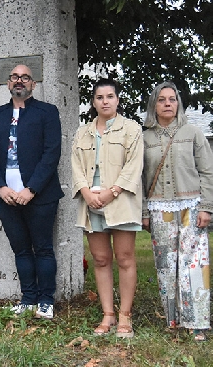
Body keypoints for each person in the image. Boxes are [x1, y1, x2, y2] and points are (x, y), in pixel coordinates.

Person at [0, 64, 64, 320]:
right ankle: (28, 299)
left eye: (25, 77)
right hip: (7, 197)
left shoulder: (47, 112)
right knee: (21, 250)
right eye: (15, 77)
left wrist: (32, 189)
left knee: (42, 249)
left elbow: (52, 153)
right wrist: (0, 186)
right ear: (9, 84)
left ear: (33, 84)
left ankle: (46, 301)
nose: (20, 81)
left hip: (40, 196)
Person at [71, 78, 143, 338]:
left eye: (110, 96)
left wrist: (112, 192)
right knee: (101, 260)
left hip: (120, 200)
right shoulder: (83, 133)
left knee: (124, 258)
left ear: (117, 100)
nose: (105, 101)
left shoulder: (132, 130)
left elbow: (134, 166)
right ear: (93, 102)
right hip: (91, 202)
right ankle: (108, 314)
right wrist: (87, 193)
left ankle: (125, 316)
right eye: (100, 97)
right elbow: (76, 165)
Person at [142, 82, 212, 341]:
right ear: (154, 105)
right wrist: (144, 212)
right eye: (162, 100)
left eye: (172, 99)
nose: (168, 104)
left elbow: (207, 171)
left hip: (192, 206)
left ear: (178, 104)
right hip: (159, 209)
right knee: (165, 264)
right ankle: (172, 319)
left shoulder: (193, 132)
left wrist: (207, 207)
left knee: (193, 263)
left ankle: (197, 321)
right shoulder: (145, 137)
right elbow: (140, 178)